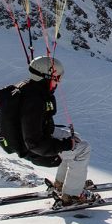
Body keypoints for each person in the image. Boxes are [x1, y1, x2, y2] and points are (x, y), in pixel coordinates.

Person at [17, 56, 96, 205]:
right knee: (83, 149)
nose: (58, 82)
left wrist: (67, 141)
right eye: (56, 78)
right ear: (46, 77)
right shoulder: (34, 101)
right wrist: (64, 145)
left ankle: (62, 184)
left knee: (75, 138)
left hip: (32, 136)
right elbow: (34, 142)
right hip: (34, 147)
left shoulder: (30, 88)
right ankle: (72, 195)